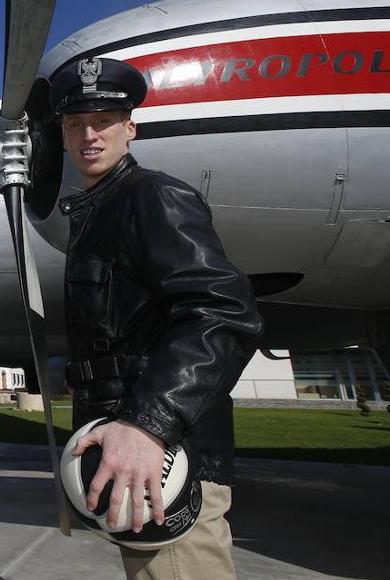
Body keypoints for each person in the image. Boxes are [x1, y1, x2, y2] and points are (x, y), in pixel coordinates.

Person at [50, 57, 264, 580]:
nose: (89, 135)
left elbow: (222, 310)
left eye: (104, 121)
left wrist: (149, 424)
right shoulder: (101, 207)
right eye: (75, 124)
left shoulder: (151, 195)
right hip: (137, 451)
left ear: (131, 127)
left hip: (162, 450)